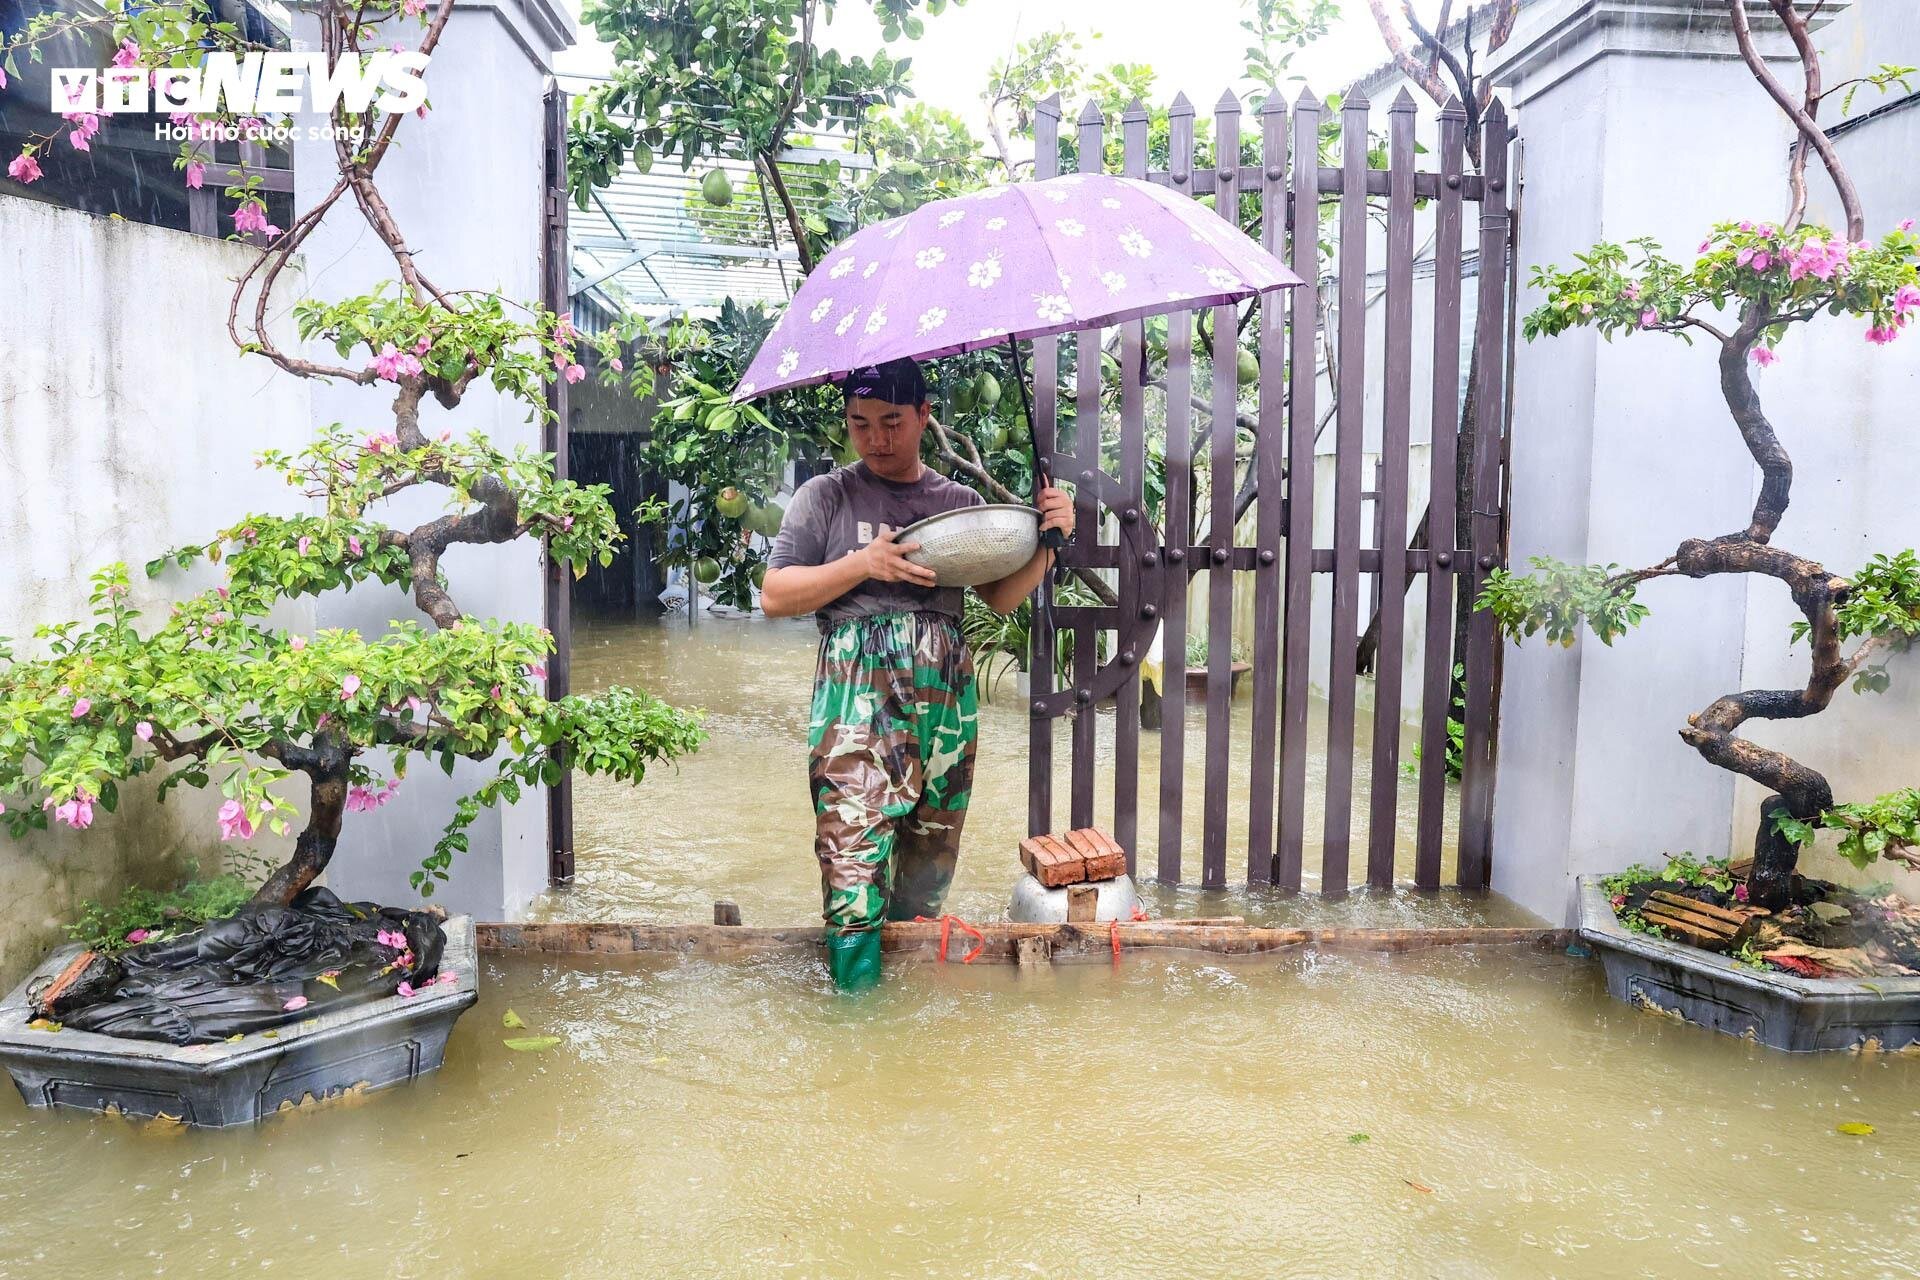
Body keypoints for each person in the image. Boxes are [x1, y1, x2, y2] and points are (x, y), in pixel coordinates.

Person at [760, 357, 1075, 992]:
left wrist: (1048, 541)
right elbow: (774, 595)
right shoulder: (826, 496)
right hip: (856, 694)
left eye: (892, 422)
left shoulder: (956, 504)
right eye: (860, 423)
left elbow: (1000, 598)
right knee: (850, 857)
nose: (876, 438)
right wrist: (864, 563)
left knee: (928, 862)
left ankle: (904, 1030)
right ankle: (855, 1020)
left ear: (925, 417)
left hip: (944, 701)